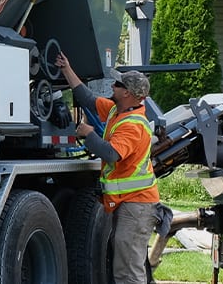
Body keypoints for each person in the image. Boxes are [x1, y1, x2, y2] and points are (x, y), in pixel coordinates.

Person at [57, 53, 158, 284]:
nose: (113, 85)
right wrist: (67, 69)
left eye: (118, 84)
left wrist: (88, 133)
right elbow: (89, 99)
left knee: (128, 270)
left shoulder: (132, 125)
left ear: (128, 93)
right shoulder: (117, 111)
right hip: (130, 203)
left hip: (137, 205)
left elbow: (111, 154)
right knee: (124, 264)